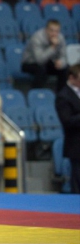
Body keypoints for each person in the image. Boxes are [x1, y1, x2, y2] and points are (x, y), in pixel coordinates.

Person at [21, 19, 68, 92]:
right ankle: (36, 93)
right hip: (30, 63)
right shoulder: (37, 38)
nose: (54, 34)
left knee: (65, 69)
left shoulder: (60, 38)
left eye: (57, 31)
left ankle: (61, 94)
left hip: (48, 63)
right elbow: (40, 60)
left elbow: (64, 56)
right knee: (41, 69)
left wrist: (61, 63)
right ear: (46, 30)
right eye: (51, 30)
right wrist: (53, 47)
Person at [55, 64, 80, 194]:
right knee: (78, 179)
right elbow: (67, 121)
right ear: (72, 78)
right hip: (76, 144)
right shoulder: (63, 96)